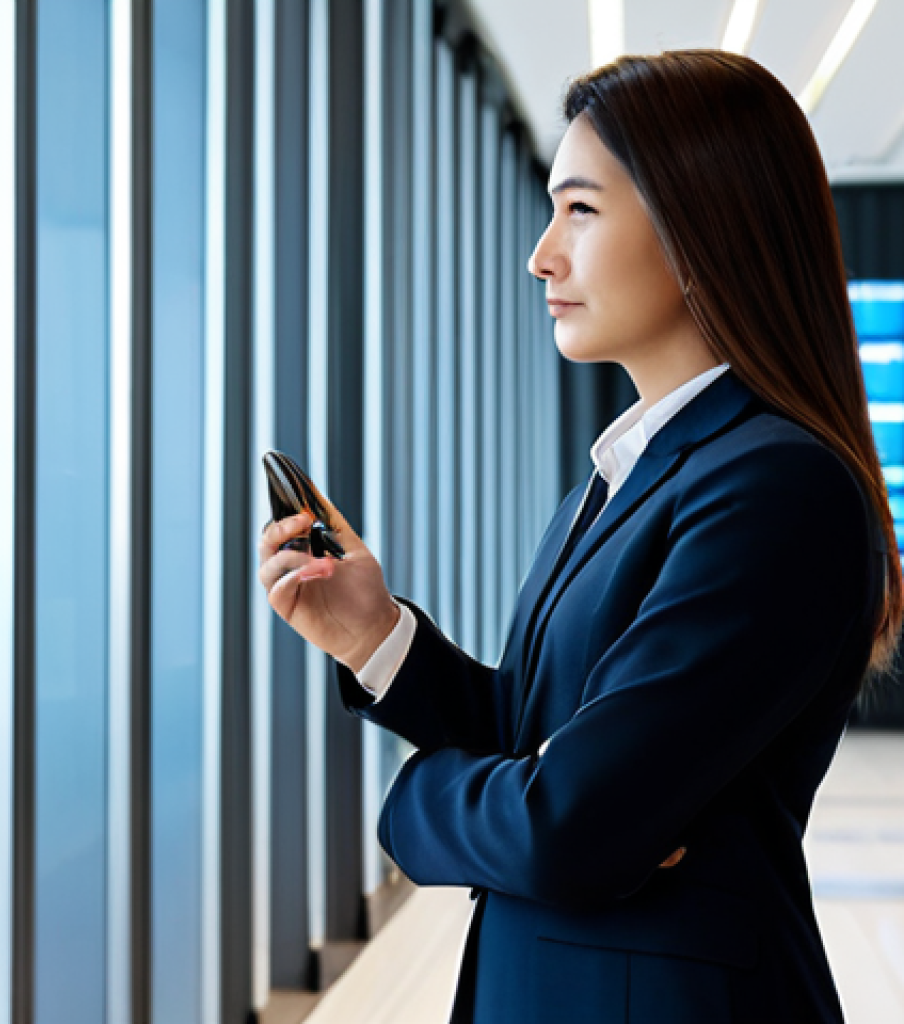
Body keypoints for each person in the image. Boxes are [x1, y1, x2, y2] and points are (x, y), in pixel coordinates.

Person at [258, 49, 902, 1024]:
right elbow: (536, 739)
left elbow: (569, 825)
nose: (541, 254)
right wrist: (375, 636)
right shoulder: (616, 480)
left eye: (581, 209)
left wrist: (415, 801)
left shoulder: (779, 487)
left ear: (699, 232)